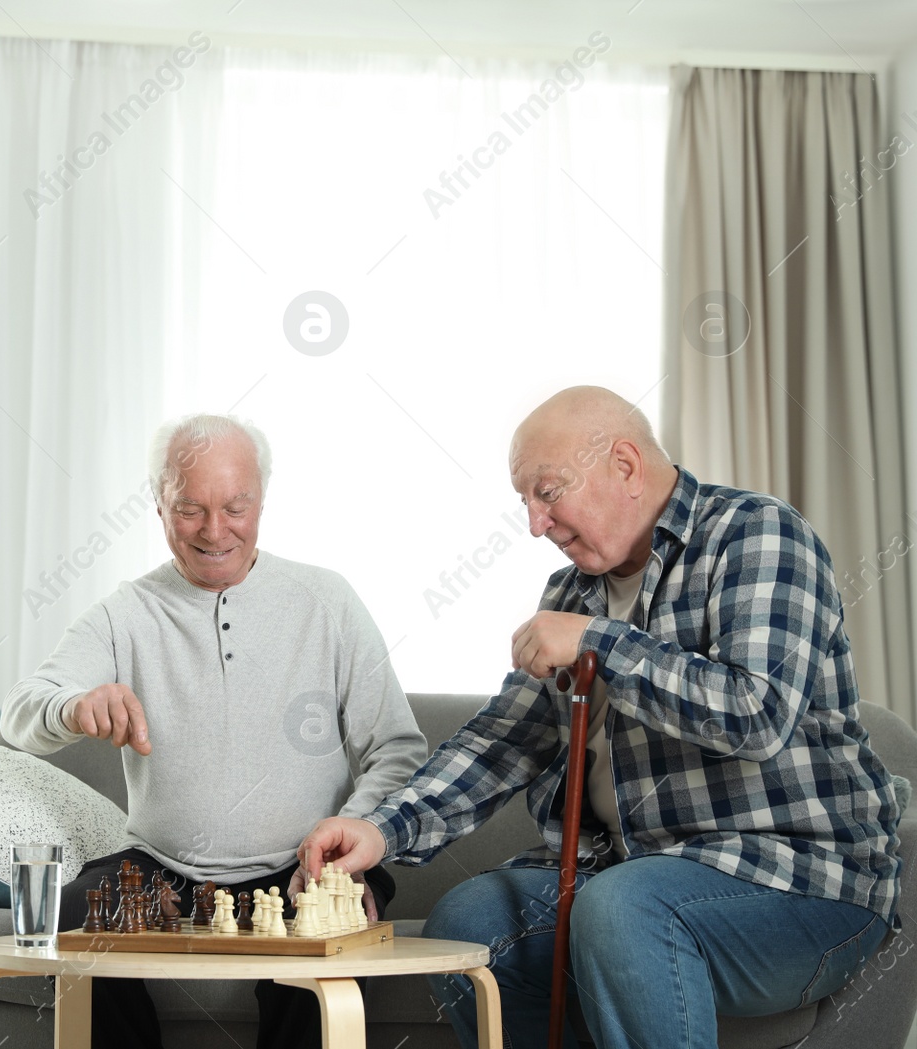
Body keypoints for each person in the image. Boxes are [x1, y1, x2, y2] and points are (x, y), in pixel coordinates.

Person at [300, 386, 903, 1049]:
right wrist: (380, 830)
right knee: (469, 920)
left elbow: (755, 714)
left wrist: (596, 642)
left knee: (625, 904)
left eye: (548, 490)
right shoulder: (572, 592)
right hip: (630, 875)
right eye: (524, 501)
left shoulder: (758, 536)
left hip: (798, 884)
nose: (534, 522)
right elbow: (505, 741)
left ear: (624, 463)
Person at [1, 413, 427, 1049]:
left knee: (310, 971)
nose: (215, 530)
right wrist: (73, 706)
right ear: (158, 504)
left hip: (305, 866)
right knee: (71, 922)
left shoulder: (328, 601)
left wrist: (352, 843)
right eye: (190, 508)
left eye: (235, 506)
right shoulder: (125, 613)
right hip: (162, 867)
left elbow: (397, 749)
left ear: (262, 498)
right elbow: (20, 713)